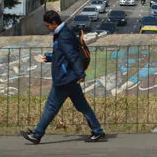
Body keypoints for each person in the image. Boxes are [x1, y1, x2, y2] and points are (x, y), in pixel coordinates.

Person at [20, 11, 106, 144]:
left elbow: (72, 56)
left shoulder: (63, 35)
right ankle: (98, 131)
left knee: (51, 106)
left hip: (64, 78)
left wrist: (80, 74)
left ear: (54, 23)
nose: (47, 28)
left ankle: (37, 135)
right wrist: (49, 57)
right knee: (82, 106)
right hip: (70, 78)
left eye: (48, 25)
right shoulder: (63, 32)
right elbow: (63, 55)